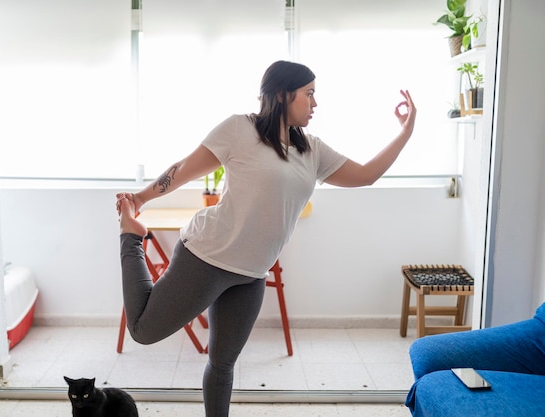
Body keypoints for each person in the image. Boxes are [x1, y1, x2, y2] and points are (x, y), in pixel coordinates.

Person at [116, 60, 416, 417]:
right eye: (309, 94)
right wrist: (141, 200)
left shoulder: (313, 151)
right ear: (281, 94)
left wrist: (406, 131)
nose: (315, 103)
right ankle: (131, 237)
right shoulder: (239, 129)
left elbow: (366, 175)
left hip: (252, 273)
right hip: (207, 257)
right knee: (143, 330)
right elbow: (183, 169)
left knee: (223, 364)